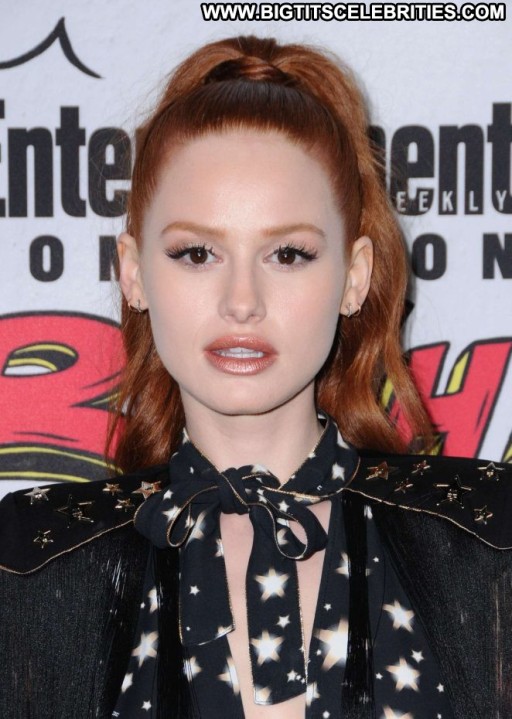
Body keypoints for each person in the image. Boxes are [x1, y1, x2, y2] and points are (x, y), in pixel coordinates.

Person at [0, 34, 510, 719]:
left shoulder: (488, 541)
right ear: (133, 271)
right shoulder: (30, 560)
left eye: (289, 254)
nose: (242, 301)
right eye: (197, 252)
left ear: (354, 277)